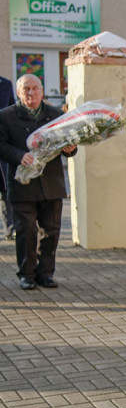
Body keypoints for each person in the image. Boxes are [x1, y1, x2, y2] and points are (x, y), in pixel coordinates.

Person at [0, 75, 76, 290]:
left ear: (42, 91)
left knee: (51, 231)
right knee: (26, 231)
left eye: (34, 89)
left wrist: (71, 149)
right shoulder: (6, 116)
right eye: (26, 89)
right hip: (22, 185)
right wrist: (18, 156)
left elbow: (67, 143)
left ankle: (45, 273)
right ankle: (26, 274)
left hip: (51, 184)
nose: (30, 93)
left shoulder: (55, 115)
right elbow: (1, 145)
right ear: (18, 92)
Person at [0, 74, 17, 240]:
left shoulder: (5, 84)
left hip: (2, 145)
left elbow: (12, 110)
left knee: (6, 190)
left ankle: (9, 229)